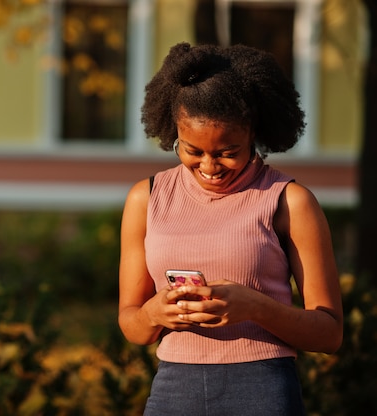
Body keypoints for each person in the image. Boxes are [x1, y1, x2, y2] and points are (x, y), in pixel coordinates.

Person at [118, 42, 343, 415]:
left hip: (263, 389)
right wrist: (154, 313)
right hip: (175, 389)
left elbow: (330, 334)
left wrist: (255, 307)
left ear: (254, 133)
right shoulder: (147, 197)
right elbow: (132, 325)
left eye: (228, 151)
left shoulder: (289, 201)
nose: (209, 165)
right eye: (192, 150)